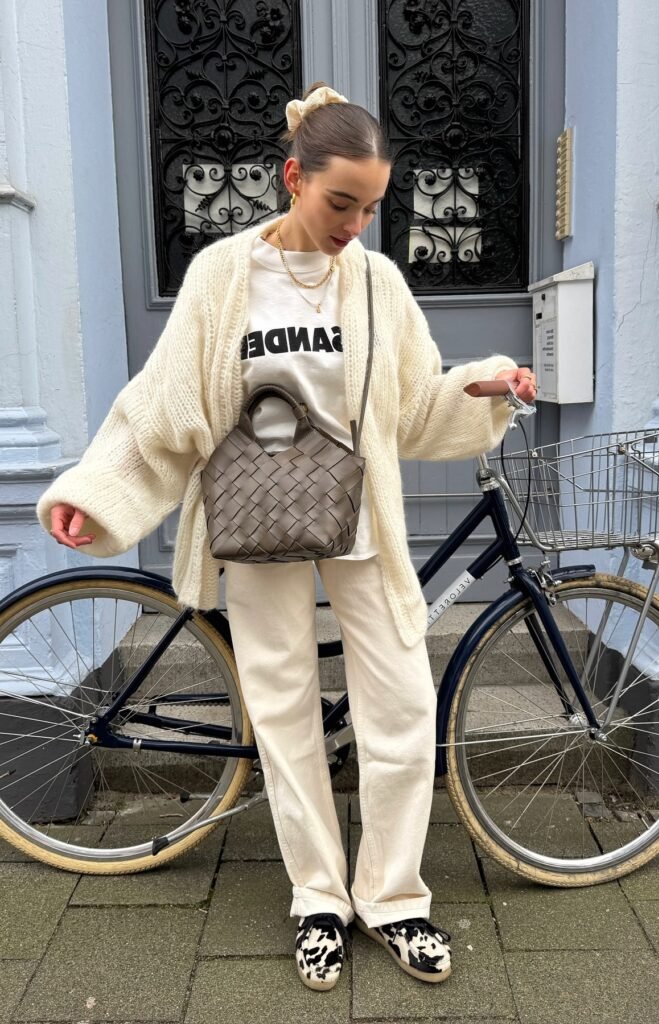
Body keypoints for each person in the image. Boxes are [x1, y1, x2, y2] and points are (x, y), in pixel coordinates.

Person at [36, 82, 537, 991]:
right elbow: (164, 404)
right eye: (341, 202)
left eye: (371, 207)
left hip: (359, 518)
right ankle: (317, 899)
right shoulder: (223, 275)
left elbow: (410, 407)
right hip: (253, 516)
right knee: (282, 712)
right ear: (293, 178)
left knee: (401, 708)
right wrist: (96, 491)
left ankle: (393, 898)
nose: (355, 225)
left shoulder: (377, 283)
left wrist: (483, 386)